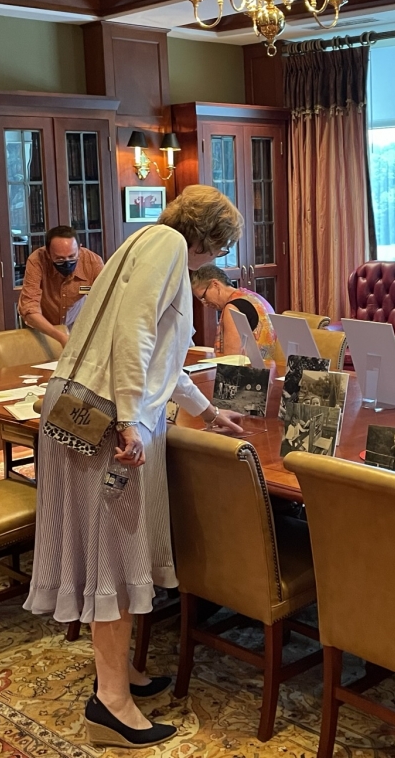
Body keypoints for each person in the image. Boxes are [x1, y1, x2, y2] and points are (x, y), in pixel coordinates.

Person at [24, 185, 246, 748]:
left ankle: (119, 676)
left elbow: (160, 359)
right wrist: (128, 418)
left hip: (82, 407)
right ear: (210, 236)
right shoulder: (169, 245)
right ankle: (111, 704)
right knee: (115, 554)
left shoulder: (142, 240)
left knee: (109, 549)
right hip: (104, 420)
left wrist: (209, 411)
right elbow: (137, 333)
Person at [18, 225, 104, 347]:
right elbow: (29, 309)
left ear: (79, 249)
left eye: (72, 256)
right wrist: (60, 337)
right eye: (59, 259)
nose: (67, 262)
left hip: (76, 325)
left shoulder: (93, 262)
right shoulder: (36, 260)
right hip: (41, 327)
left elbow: (107, 300)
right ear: (48, 253)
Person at [190, 264, 277, 360]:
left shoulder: (232, 308)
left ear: (215, 285)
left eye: (203, 297)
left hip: (253, 372)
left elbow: (231, 360)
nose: (205, 304)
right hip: (274, 369)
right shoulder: (256, 297)